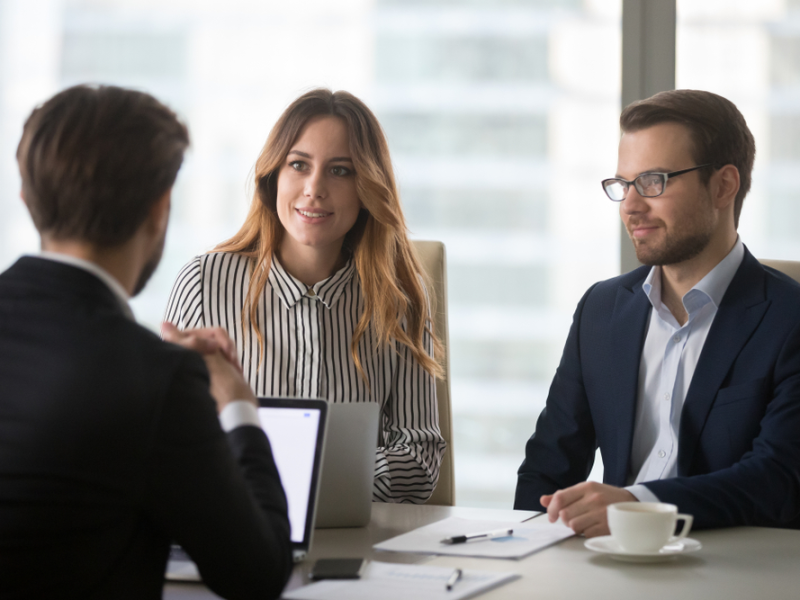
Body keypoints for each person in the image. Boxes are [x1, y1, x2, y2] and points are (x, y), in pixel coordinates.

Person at [0, 85, 292, 599]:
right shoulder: (155, 382)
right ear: (160, 210)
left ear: (27, 198)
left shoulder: (148, 377)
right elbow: (259, 572)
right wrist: (238, 406)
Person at [514, 89, 800, 536]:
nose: (630, 205)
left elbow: (778, 480)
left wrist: (635, 505)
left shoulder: (789, 318)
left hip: (735, 568)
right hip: (610, 567)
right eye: (623, 185)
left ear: (724, 185)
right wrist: (525, 549)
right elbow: (547, 470)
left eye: (653, 182)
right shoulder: (601, 310)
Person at [165, 89, 445, 503]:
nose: (314, 189)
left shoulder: (399, 298)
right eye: (299, 165)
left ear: (367, 186)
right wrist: (327, 469)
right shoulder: (203, 283)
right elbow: (168, 443)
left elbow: (419, 462)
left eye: (341, 171)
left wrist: (301, 474)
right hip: (239, 530)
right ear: (273, 175)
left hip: (359, 545)